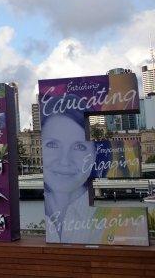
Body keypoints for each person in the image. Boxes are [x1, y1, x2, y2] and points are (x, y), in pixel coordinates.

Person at [41, 96, 100, 244]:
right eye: (52, 145)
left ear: (94, 155)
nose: (65, 161)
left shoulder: (110, 222)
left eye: (79, 147)